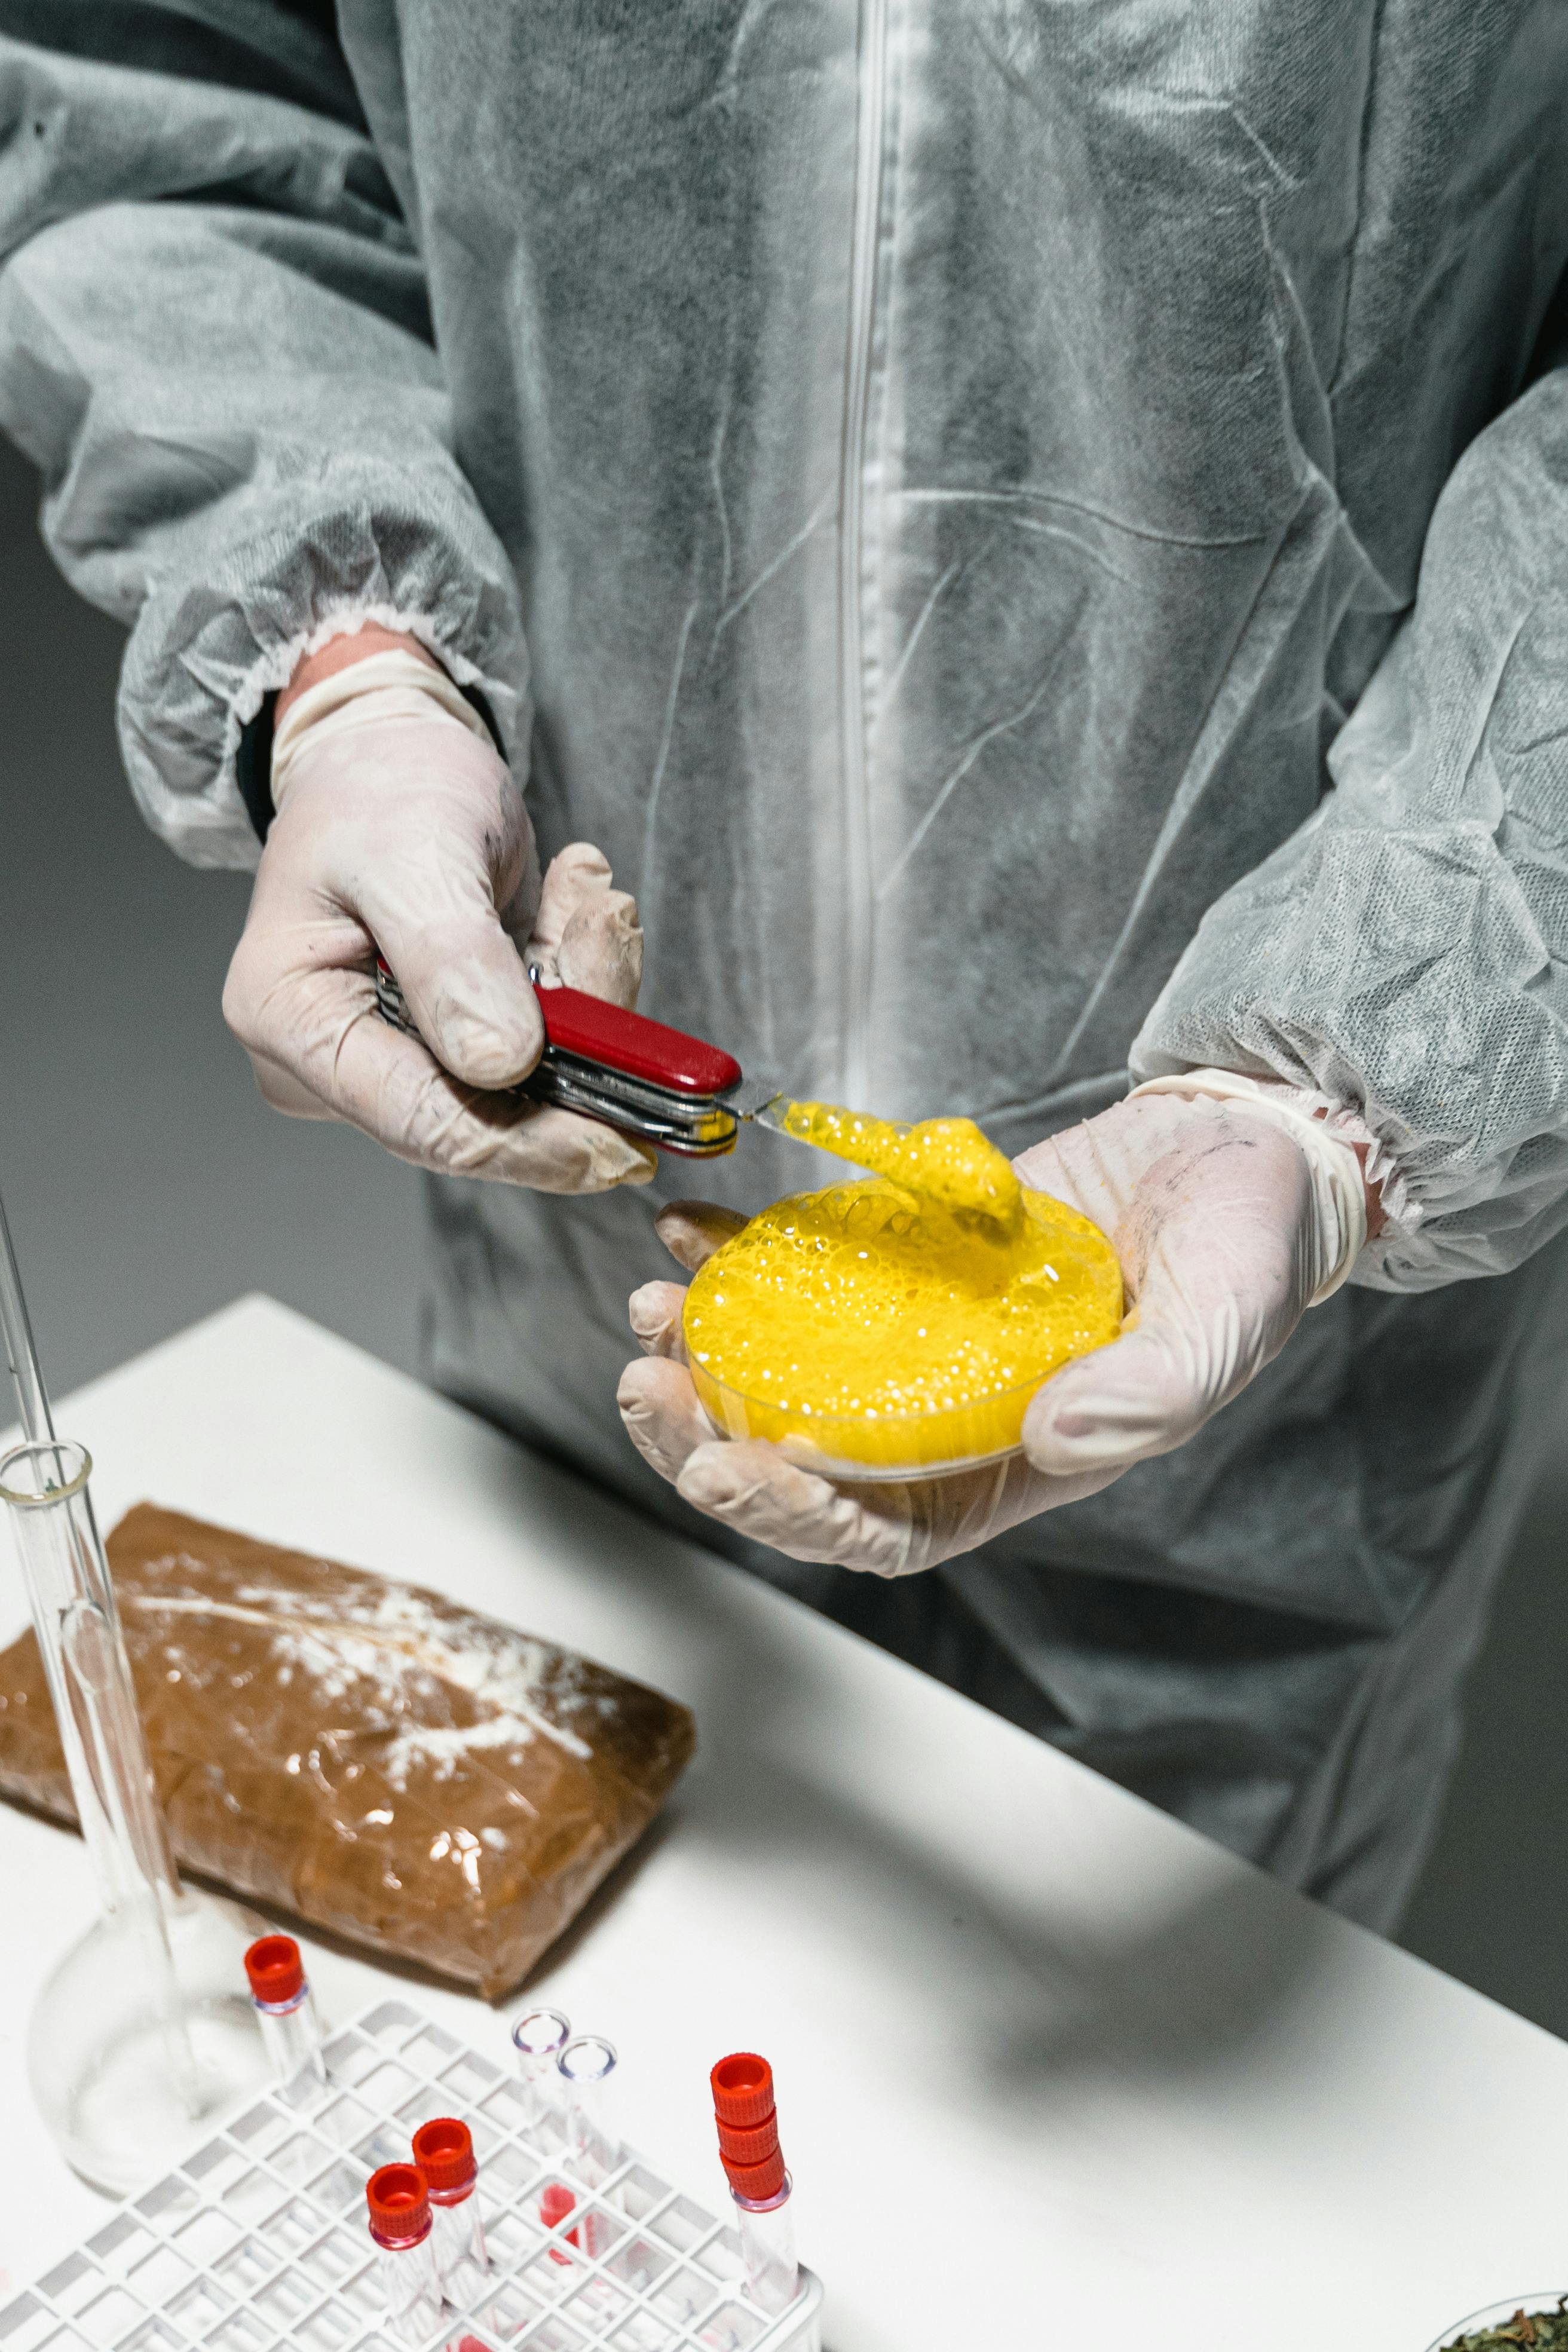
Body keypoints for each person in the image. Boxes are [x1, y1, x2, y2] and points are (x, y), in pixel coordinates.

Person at [2, 1, 1566, 1937]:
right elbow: (169, 100)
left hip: (1269, 1410)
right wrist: (350, 676)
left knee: (1164, 2127)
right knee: (596, 1983)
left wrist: (1354, 1061)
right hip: (603, 1277)